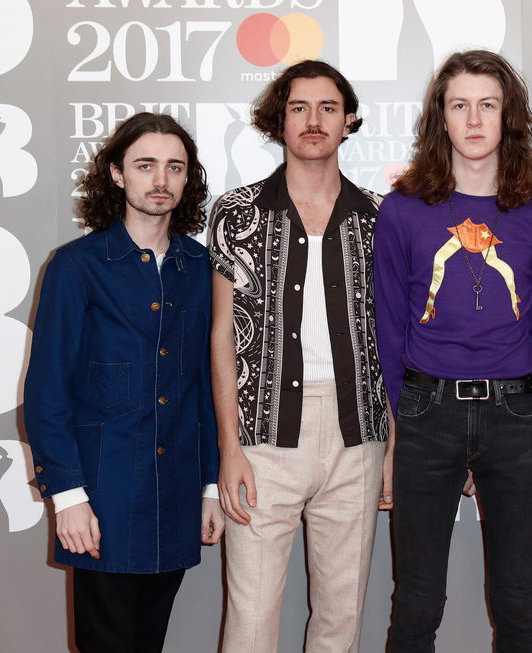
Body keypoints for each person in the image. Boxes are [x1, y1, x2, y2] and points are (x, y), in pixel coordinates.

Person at [374, 49, 532, 652]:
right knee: (416, 602)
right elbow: (388, 324)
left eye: (488, 105)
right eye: (460, 105)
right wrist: (403, 418)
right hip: (427, 414)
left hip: (514, 418)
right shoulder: (403, 209)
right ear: (442, 118)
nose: (475, 119)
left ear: (509, 118)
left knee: (517, 601)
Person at [25, 112, 223, 653]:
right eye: (146, 165)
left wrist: (210, 485)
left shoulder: (200, 268)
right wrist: (67, 495)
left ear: (187, 180)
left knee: (148, 642)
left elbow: (208, 386)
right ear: (117, 174)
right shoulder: (75, 267)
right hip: (101, 496)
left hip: (176, 494)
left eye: (174, 167)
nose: (161, 179)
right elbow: (47, 393)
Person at [209, 60, 389, 653]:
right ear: (278, 121)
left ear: (349, 121)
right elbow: (220, 334)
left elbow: (394, 339)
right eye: (298, 108)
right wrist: (229, 448)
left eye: (328, 108)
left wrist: (392, 445)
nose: (313, 121)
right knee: (250, 618)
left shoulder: (381, 218)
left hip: (356, 434)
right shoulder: (238, 213)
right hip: (261, 434)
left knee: (341, 621)